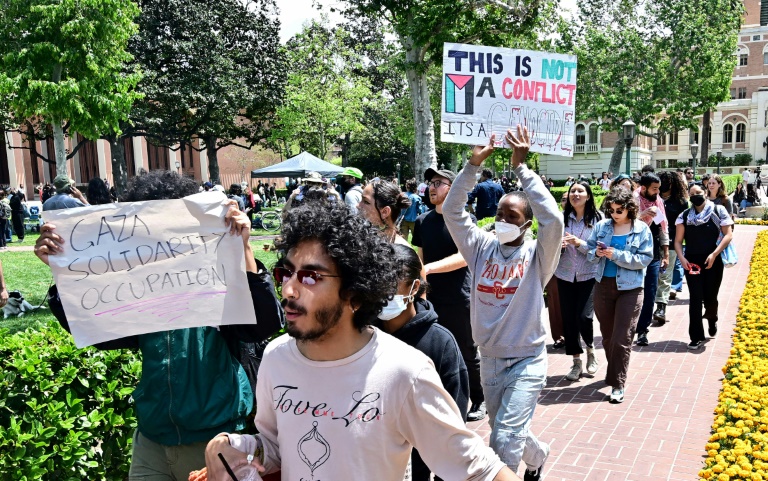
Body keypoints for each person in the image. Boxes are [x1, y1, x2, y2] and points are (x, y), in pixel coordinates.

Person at [201, 199, 520, 481]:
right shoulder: (275, 358)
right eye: (286, 273)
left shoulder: (403, 371)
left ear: (354, 293)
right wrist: (240, 446)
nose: (288, 290)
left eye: (310, 276)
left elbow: (479, 470)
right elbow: (277, 446)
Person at [33, 170, 285, 480]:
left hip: (215, 439)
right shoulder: (139, 289)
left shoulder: (215, 278)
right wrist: (62, 271)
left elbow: (264, 324)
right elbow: (102, 335)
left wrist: (244, 249)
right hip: (151, 440)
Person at [441, 125, 562, 480]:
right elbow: (453, 212)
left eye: (512, 217)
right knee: (505, 427)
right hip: (490, 358)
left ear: (526, 225)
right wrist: (472, 166)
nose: (503, 220)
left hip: (527, 358)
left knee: (504, 438)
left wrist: (522, 168)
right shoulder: (480, 247)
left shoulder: (539, 255)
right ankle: (538, 456)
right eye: (500, 214)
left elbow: (553, 219)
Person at [377, 244, 470, 481]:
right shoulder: (363, 334)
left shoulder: (440, 343)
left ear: (414, 287)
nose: (380, 291)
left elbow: (453, 421)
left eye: (389, 283)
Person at [412, 168, 486, 423]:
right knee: (433, 351)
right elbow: (420, 257)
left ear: (453, 188)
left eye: (438, 183)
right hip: (430, 298)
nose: (432, 187)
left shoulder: (465, 221)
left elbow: (464, 257)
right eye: (430, 183)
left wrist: (430, 269)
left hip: (458, 295)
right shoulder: (422, 221)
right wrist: (419, 288)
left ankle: (479, 397)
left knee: (466, 350)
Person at [586, 188, 653, 403]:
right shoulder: (601, 227)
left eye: (619, 210)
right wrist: (596, 253)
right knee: (607, 337)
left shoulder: (641, 229)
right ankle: (615, 371)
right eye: (611, 210)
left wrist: (617, 255)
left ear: (629, 209)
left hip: (631, 288)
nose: (615, 214)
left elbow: (644, 259)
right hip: (603, 286)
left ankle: (617, 383)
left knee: (622, 337)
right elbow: (588, 252)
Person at [675, 183, 734, 350]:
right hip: (692, 263)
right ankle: (696, 336)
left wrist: (715, 254)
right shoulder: (684, 216)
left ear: (705, 193)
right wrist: (682, 258)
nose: (695, 196)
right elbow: (678, 241)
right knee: (695, 298)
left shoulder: (718, 211)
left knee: (710, 297)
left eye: (698, 192)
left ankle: (712, 317)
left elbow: (728, 234)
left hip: (713, 261)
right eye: (692, 193)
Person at [556, 181, 602, 381]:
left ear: (588, 196)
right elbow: (548, 243)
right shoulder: (561, 219)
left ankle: (590, 349)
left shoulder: (599, 220)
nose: (575, 194)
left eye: (580, 191)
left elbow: (599, 251)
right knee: (569, 319)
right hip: (564, 274)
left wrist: (579, 243)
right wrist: (560, 246)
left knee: (584, 317)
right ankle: (576, 361)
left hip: (588, 274)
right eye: (572, 191)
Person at [633, 173, 669, 346]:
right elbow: (623, 223)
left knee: (650, 292)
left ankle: (642, 330)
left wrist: (666, 254)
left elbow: (663, 229)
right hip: (633, 254)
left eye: (658, 188)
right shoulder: (632, 201)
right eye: (654, 188)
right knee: (632, 292)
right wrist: (642, 215)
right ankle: (630, 326)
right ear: (644, 188)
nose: (657, 191)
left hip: (653, 255)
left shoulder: (658, 202)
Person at [654, 170, 689, 321]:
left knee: (665, 275)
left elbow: (683, 225)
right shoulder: (651, 199)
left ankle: (661, 307)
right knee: (651, 275)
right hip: (652, 242)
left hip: (672, 243)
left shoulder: (680, 202)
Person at [358, 178, 412, 246]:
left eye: (366, 202)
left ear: (385, 212)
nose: (358, 206)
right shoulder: (362, 240)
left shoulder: (401, 252)